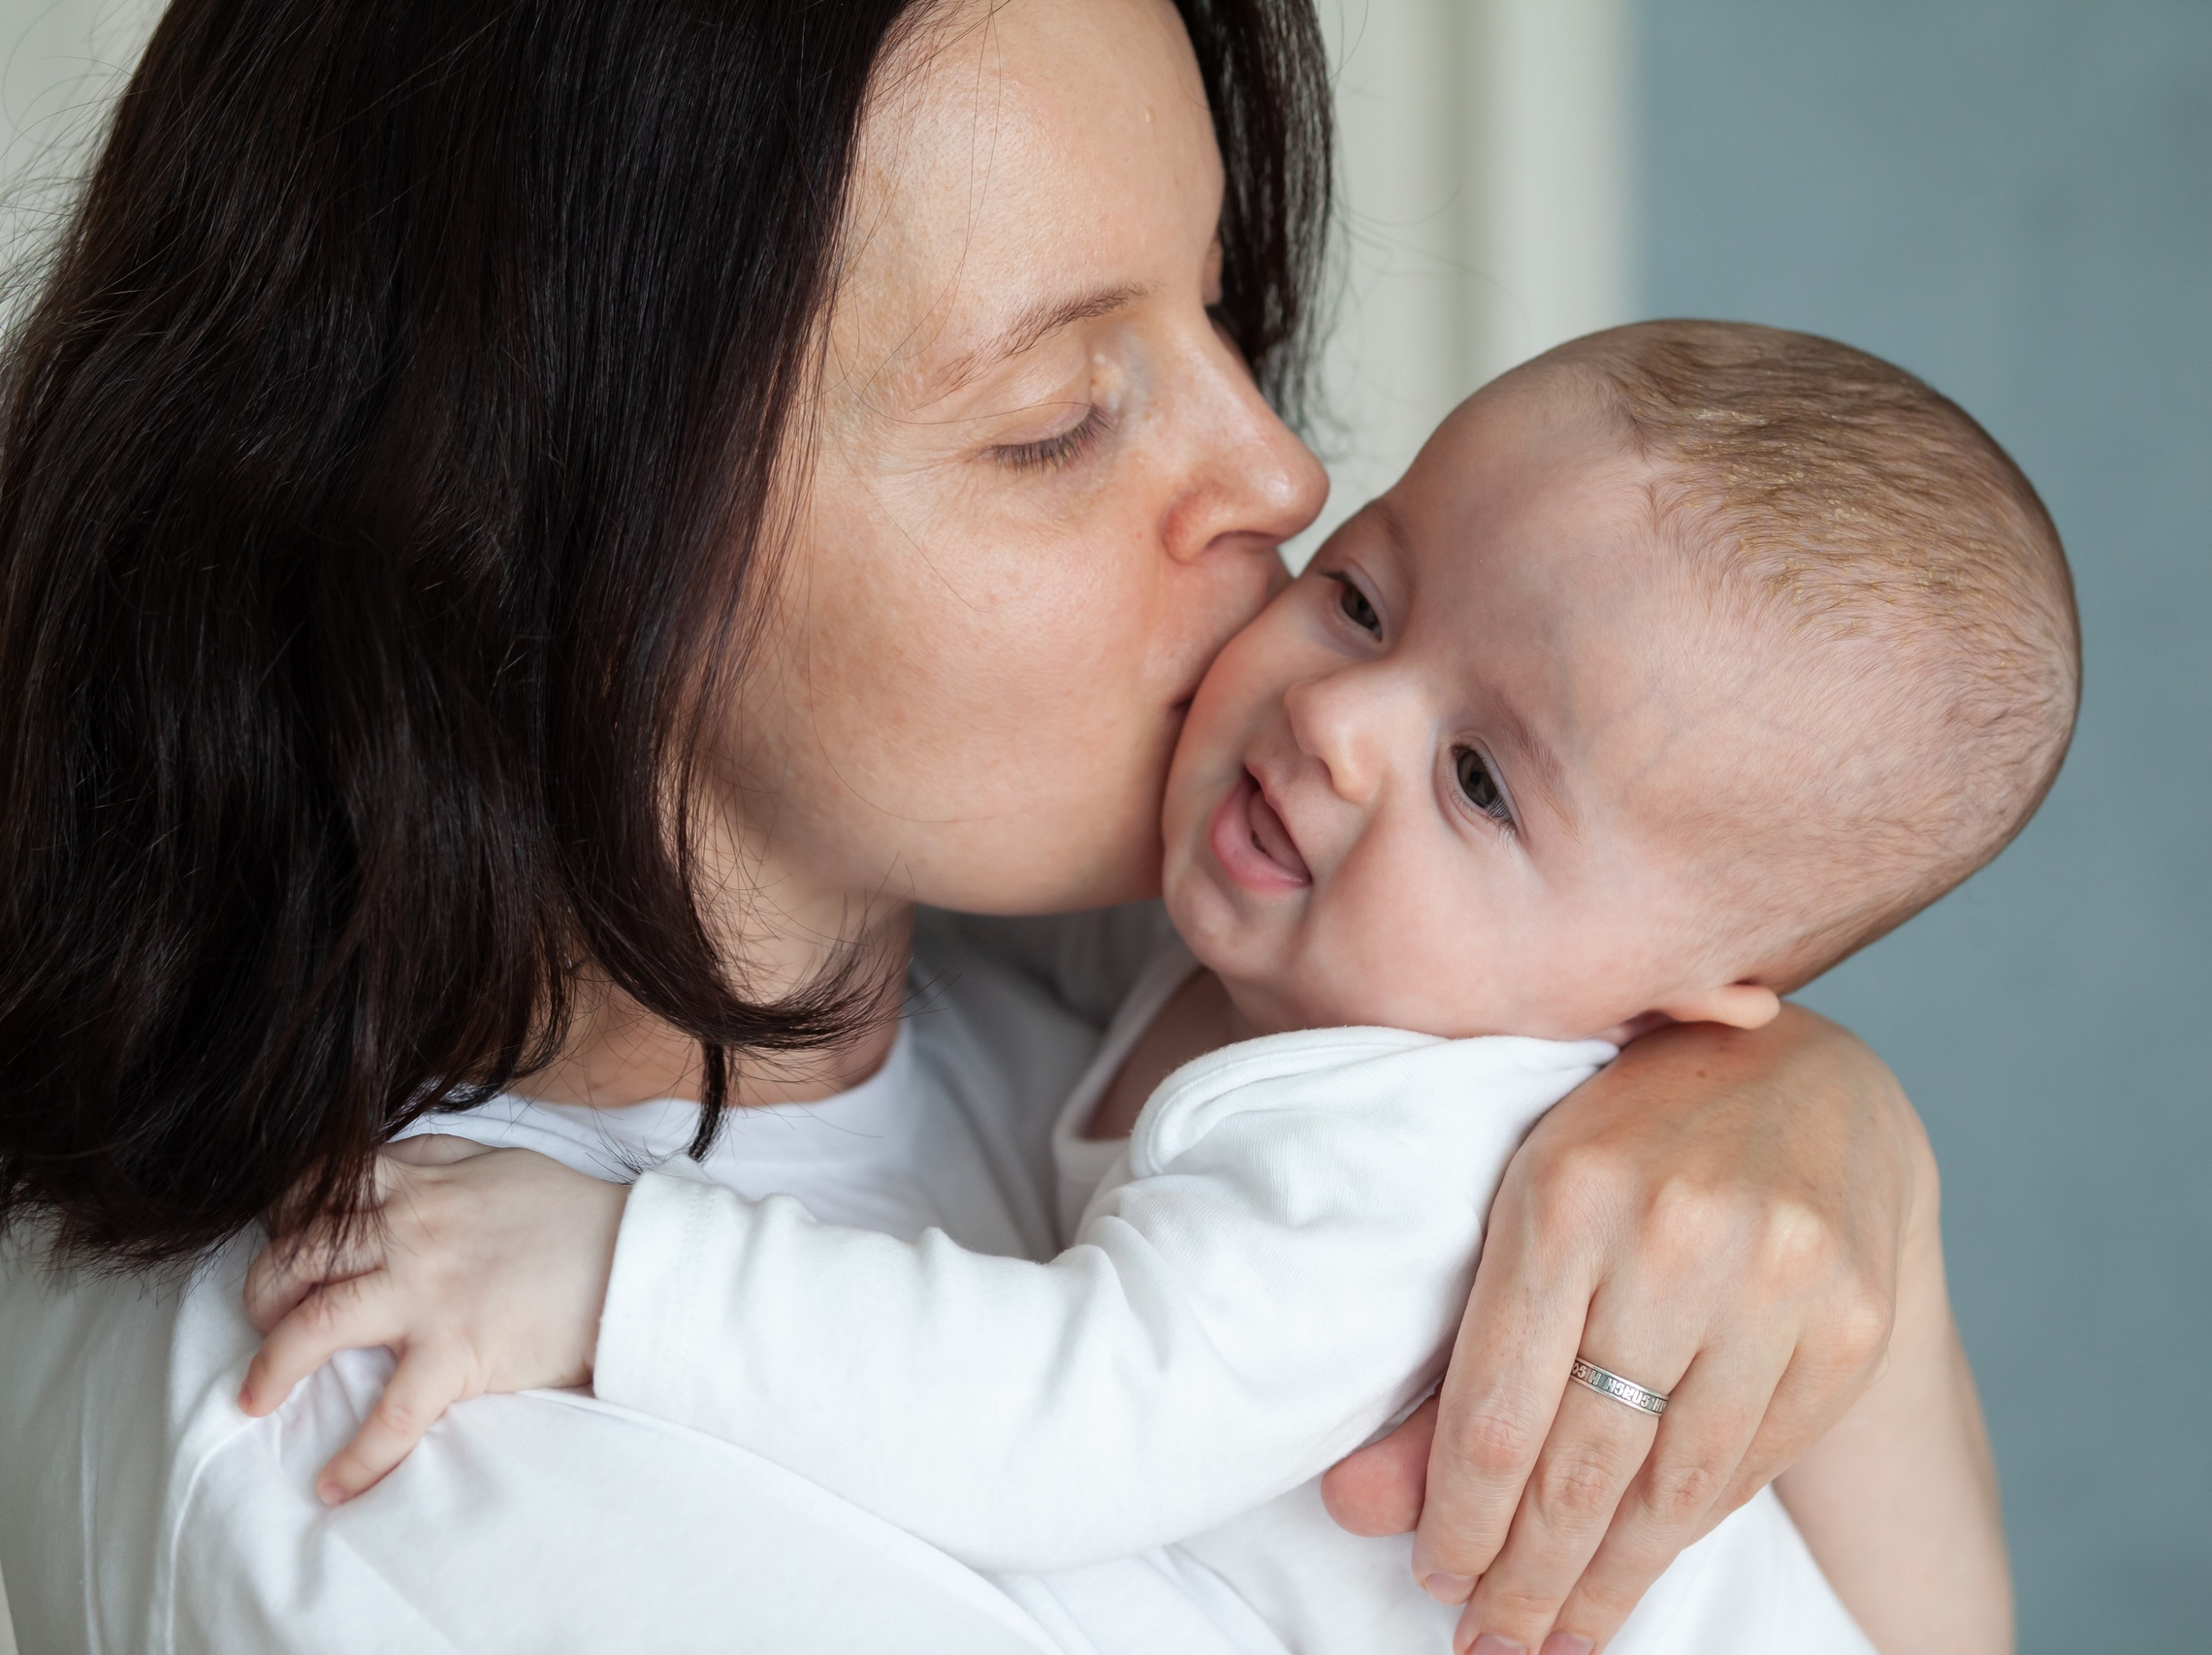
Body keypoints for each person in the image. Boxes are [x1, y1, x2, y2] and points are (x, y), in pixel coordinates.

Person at [0, 2, 1938, 1651]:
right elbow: (1084, 1399)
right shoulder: (399, 1440)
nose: (1279, 468)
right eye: (1059, 418)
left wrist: (1795, 1114)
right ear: (540, 521)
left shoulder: (1099, 978)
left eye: (1216, 307)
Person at [248, 320, 2060, 1655]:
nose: (1339, 724)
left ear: (1692, 997)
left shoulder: (1413, 1168)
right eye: (1361, 595)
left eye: (1486, 781)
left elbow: (1065, 1415)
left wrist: (610, 1272)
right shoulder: (1271, 951)